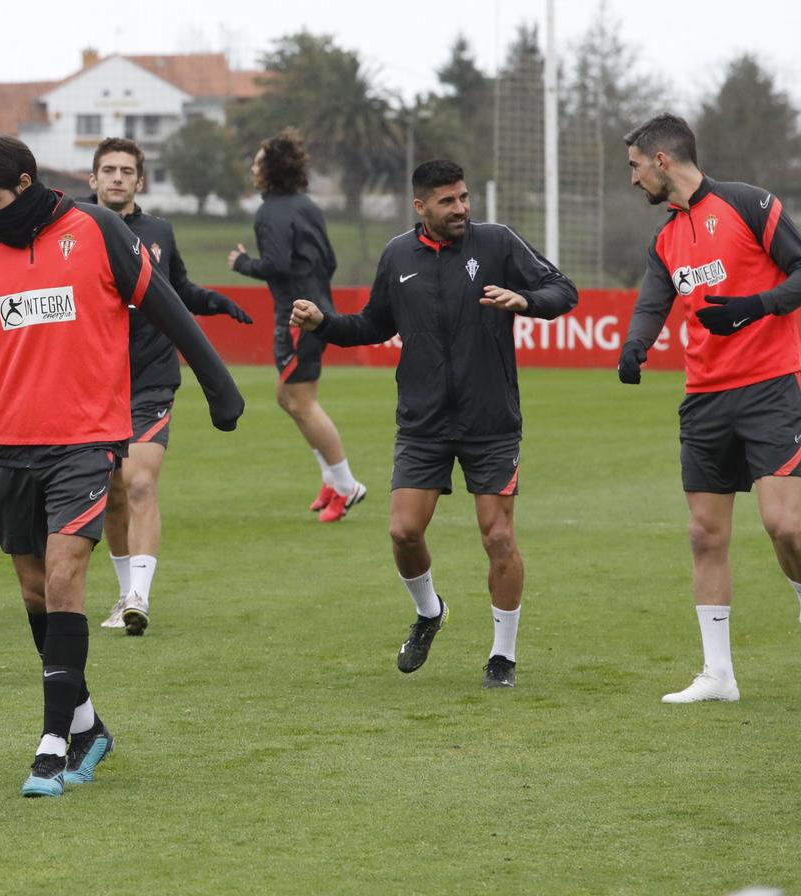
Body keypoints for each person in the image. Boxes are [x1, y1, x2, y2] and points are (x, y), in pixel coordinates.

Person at [0, 136, 243, 797]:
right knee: (34, 591)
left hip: (85, 440)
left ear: (27, 183)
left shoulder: (97, 229)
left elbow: (166, 305)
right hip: (9, 442)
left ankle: (52, 741)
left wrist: (219, 386)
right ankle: (87, 722)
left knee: (64, 576)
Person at [290, 159, 576, 688]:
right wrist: (324, 323)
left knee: (497, 537)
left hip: (491, 422)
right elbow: (374, 324)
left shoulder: (497, 243)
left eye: (464, 197)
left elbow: (565, 291)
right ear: (420, 206)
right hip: (423, 422)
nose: (461, 208)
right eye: (447, 201)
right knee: (402, 531)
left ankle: (502, 658)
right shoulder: (398, 254)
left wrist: (526, 300)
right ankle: (429, 613)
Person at [617, 113, 801, 703]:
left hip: (774, 386)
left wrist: (756, 306)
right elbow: (653, 300)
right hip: (705, 398)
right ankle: (718, 676)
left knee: (785, 526)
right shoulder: (666, 236)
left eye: (635, 166)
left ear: (662, 161)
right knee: (704, 534)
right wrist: (634, 345)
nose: (633, 179)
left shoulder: (750, 204)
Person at [87, 138, 252, 634]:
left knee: (138, 482)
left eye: (127, 171)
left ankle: (139, 596)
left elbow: (174, 293)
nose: (117, 178)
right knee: (111, 493)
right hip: (93, 384)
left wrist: (214, 300)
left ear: (141, 181)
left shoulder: (160, 231)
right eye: (108, 170)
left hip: (151, 381)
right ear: (92, 179)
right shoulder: (76, 232)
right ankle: (123, 593)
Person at [229, 127, 366, 522]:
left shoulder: (269, 213)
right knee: (288, 398)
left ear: (269, 170)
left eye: (257, 161)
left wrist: (242, 264)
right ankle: (331, 478)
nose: (253, 167)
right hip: (319, 310)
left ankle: (346, 484)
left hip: (296, 318)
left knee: (300, 402)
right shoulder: (307, 206)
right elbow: (330, 261)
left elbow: (276, 264)